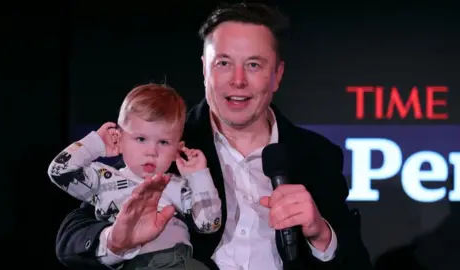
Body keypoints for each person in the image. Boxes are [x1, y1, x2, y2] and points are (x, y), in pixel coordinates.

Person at [54, 3, 372, 269]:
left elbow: (356, 262)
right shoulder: (163, 144)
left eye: (253, 65)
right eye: (223, 63)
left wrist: (320, 235)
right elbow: (73, 237)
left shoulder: (316, 154)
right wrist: (116, 240)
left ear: (277, 76)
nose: (237, 81)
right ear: (205, 69)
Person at [49, 84, 221, 269]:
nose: (151, 151)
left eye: (163, 142)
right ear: (119, 138)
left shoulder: (179, 186)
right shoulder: (104, 179)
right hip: (131, 263)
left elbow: (209, 224)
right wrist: (95, 143)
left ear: (177, 148)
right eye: (140, 139)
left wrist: (199, 176)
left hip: (180, 262)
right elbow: (60, 171)